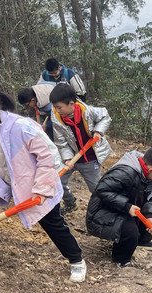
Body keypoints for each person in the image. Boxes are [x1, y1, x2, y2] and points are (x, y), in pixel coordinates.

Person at [0, 79, 88, 283]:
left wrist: (42, 189)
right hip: (2, 181)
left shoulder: (20, 127)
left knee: (52, 222)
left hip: (34, 185)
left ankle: (76, 260)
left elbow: (48, 155)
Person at [86, 146, 152, 268]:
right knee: (130, 231)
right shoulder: (125, 172)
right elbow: (102, 191)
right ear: (151, 169)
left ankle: (143, 239)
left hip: (123, 206)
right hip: (103, 211)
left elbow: (151, 198)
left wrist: (150, 217)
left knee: (146, 209)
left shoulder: (148, 173)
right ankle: (121, 259)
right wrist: (126, 206)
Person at [50, 84, 112, 215]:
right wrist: (67, 158)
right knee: (58, 181)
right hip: (71, 158)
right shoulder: (57, 119)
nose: (57, 110)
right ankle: (70, 202)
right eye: (55, 107)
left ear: (71, 104)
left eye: (59, 107)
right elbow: (60, 141)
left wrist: (98, 131)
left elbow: (105, 116)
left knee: (96, 188)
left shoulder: (88, 112)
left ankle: (104, 211)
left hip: (90, 159)